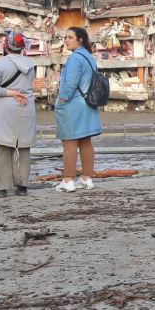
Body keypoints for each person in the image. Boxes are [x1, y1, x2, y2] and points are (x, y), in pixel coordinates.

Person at [0, 31, 36, 197]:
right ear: (22, 48)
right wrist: (17, 93)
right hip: (25, 108)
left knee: (2, 148)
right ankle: (22, 186)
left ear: (6, 47)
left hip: (2, 111)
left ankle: (2, 188)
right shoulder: (30, 65)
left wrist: (10, 93)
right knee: (23, 147)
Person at [54, 26, 102, 192]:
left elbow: (70, 83)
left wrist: (61, 101)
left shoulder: (75, 58)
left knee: (69, 142)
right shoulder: (89, 57)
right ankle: (86, 178)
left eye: (70, 37)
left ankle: (68, 180)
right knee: (85, 141)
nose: (66, 40)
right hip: (88, 104)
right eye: (65, 37)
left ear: (80, 39)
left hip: (73, 104)